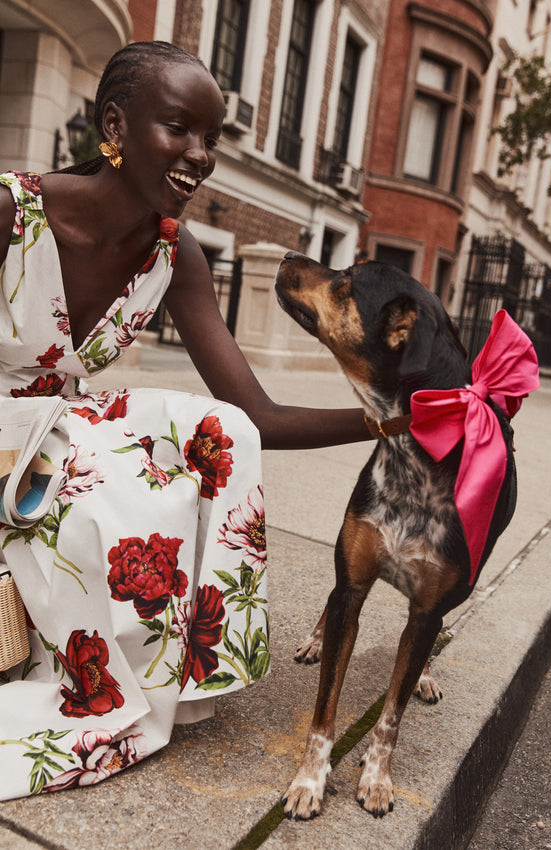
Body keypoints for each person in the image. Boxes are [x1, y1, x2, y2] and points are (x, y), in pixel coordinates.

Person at [0, 41, 369, 801]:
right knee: (93, 478)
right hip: (11, 437)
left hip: (53, 430)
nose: (200, 155)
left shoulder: (174, 254)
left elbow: (258, 415)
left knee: (218, 432)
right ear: (115, 124)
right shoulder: (11, 212)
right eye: (179, 128)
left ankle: (193, 660)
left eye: (212, 137)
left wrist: (394, 422)